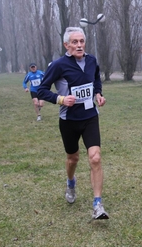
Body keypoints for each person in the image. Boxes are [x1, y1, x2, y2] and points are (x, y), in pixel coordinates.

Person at [37, 27, 109, 220]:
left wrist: (98, 94)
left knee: (95, 157)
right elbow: (42, 90)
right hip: (69, 120)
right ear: (66, 45)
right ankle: (71, 182)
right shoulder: (59, 65)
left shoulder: (92, 60)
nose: (79, 45)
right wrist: (60, 99)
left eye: (81, 41)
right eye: (75, 42)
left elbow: (95, 81)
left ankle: (98, 204)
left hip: (90, 117)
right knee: (73, 159)